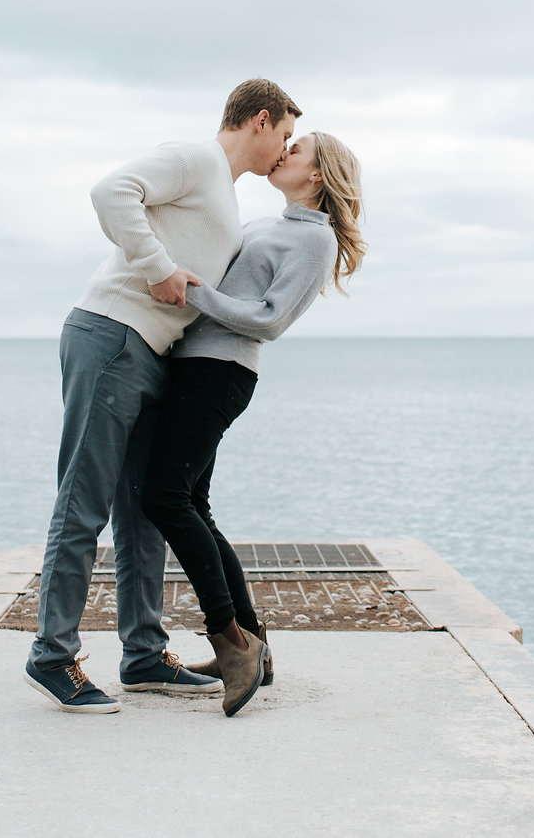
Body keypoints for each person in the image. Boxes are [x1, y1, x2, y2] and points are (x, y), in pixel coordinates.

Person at [22, 79, 301, 714]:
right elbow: (111, 191)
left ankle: (144, 654)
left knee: (142, 513)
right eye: (284, 135)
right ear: (260, 121)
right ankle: (52, 655)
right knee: (83, 505)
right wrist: (157, 268)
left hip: (149, 353)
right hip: (111, 333)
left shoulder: (223, 194)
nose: (284, 148)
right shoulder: (198, 158)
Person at [139, 130, 366, 717]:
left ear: (318, 175)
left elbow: (268, 320)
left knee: (163, 498)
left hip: (222, 372)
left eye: (299, 149)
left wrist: (195, 293)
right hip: (197, 366)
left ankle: (230, 640)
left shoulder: (315, 241)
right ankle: (254, 644)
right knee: (192, 504)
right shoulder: (273, 223)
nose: (285, 152)